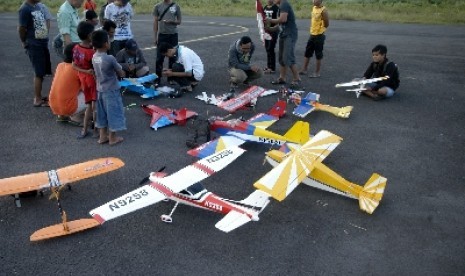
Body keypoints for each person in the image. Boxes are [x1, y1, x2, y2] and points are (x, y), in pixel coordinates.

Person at [91, 29, 126, 145]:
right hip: (111, 90)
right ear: (106, 44)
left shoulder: (94, 57)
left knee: (102, 113)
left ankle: (102, 137)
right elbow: (121, 73)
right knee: (113, 113)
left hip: (100, 90)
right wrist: (122, 72)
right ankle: (112, 138)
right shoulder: (110, 58)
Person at [18, 0, 52, 107]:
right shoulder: (24, 9)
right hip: (34, 43)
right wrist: (24, 41)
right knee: (39, 72)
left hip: (42, 42)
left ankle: (40, 96)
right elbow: (21, 28)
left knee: (44, 70)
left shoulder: (36, 6)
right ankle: (37, 99)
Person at [49, 43, 86, 125]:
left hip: (54, 106)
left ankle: (62, 116)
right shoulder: (78, 69)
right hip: (68, 107)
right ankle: (76, 118)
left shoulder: (60, 65)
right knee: (94, 93)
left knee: (68, 91)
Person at [267, 0, 301, 88]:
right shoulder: (280, 6)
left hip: (289, 34)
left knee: (288, 57)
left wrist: (269, 20)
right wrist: (269, 28)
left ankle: (297, 79)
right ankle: (282, 78)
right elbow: (280, 25)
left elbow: (283, 19)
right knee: (282, 58)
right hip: (283, 34)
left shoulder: (284, 4)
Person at [72, 21, 96, 138]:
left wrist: (84, 72)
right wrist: (88, 71)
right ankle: (97, 130)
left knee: (89, 105)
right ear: (89, 35)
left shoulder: (76, 48)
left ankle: (84, 130)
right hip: (92, 80)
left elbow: (74, 65)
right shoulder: (92, 52)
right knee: (95, 106)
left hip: (83, 80)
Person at [153, 0, 182, 85]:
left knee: (173, 58)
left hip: (173, 35)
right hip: (162, 35)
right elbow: (155, 22)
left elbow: (179, 21)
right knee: (159, 58)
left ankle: (171, 78)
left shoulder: (176, 6)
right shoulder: (157, 6)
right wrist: (155, 37)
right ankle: (157, 77)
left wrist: (172, 22)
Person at [299, 0, 329, 78]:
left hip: (319, 35)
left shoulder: (324, 10)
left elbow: (327, 23)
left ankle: (317, 72)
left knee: (318, 54)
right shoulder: (314, 8)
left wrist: (321, 29)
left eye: (315, 0)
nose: (313, 1)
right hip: (312, 34)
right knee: (307, 52)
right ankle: (304, 69)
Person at [263, 0, 279, 74]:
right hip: (266, 31)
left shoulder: (276, 8)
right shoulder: (265, 7)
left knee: (271, 48)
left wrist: (273, 29)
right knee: (267, 48)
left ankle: (272, 68)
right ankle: (268, 66)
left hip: (273, 31)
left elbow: (278, 20)